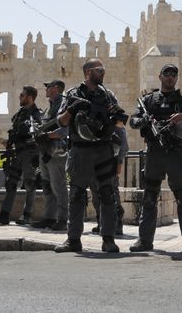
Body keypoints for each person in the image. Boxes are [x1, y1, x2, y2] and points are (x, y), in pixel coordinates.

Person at [54, 59, 128, 254]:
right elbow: (61, 122)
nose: (103, 73)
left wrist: (116, 116)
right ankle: (73, 240)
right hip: (80, 150)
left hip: (103, 151)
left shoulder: (107, 95)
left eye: (103, 69)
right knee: (77, 195)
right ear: (88, 72)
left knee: (107, 195)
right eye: (99, 70)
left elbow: (121, 125)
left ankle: (108, 239)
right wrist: (72, 108)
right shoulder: (73, 94)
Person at [128, 63, 182, 252]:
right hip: (155, 153)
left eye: (173, 75)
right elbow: (133, 121)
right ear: (160, 77)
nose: (170, 77)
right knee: (149, 197)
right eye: (167, 74)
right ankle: (144, 241)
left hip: (176, 154)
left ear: (176, 78)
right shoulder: (149, 101)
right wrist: (145, 120)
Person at [0, 86, 42, 226]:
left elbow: (38, 134)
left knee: (30, 184)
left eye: (22, 95)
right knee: (11, 184)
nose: (19, 97)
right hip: (17, 153)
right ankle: (4, 215)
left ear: (30, 97)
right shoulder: (20, 114)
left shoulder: (37, 114)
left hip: (30, 153)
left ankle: (27, 215)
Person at [31, 80, 70, 231]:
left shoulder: (64, 106)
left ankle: (62, 219)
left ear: (56, 88)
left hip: (57, 150)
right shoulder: (50, 107)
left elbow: (65, 130)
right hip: (45, 150)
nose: (45, 89)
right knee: (47, 185)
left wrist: (48, 136)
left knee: (58, 186)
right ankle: (49, 217)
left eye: (48, 87)